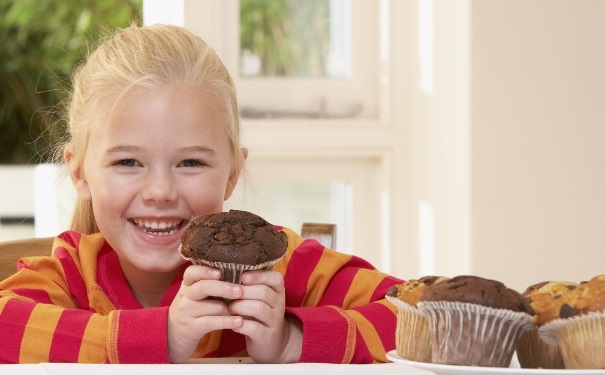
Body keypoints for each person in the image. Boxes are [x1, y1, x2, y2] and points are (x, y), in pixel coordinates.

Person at [0, 23, 402, 364]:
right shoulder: (67, 276)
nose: (159, 192)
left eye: (190, 163)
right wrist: (164, 336)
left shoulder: (284, 269)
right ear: (80, 173)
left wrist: (290, 341)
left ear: (232, 174)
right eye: (127, 162)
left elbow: (421, 315)